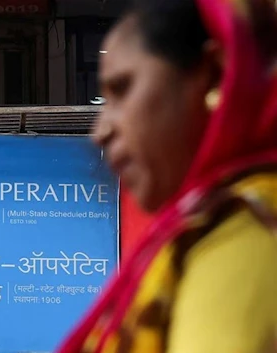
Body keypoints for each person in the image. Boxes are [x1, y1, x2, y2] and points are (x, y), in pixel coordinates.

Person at [56, 0, 277, 353]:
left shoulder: (244, 229)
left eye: (122, 89)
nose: (100, 131)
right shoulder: (203, 228)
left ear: (214, 74)